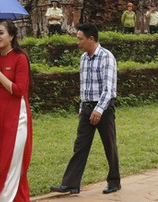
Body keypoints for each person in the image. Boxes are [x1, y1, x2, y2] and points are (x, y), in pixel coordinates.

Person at [51, 23, 121, 195]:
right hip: (87, 107)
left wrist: (99, 109)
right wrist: (82, 106)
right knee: (80, 146)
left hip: (103, 108)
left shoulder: (106, 57)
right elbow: (84, 86)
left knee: (109, 145)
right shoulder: (83, 59)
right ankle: (71, 184)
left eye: (80, 39)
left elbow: (109, 88)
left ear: (91, 39)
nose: (78, 42)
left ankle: (114, 181)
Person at [0, 19, 33, 201]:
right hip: (0, 118)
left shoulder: (20, 58)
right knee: (4, 163)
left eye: (1, 33)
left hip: (17, 118)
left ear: (11, 35)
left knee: (10, 165)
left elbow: (19, 90)